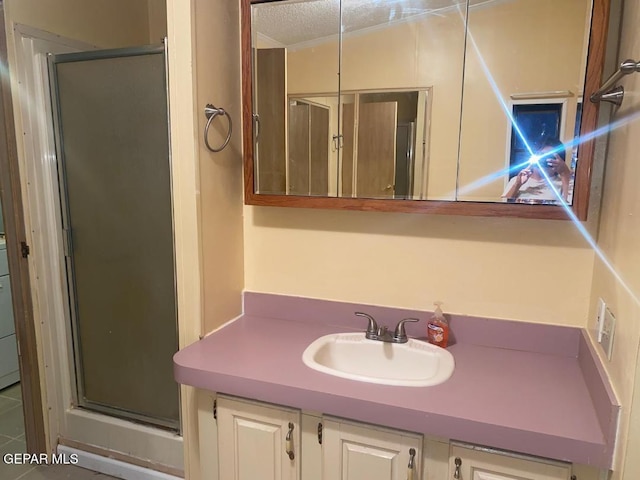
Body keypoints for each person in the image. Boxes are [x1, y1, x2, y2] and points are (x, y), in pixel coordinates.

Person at [502, 137, 573, 203]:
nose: (545, 160)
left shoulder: (565, 183)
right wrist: (517, 185)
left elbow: (569, 210)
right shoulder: (517, 180)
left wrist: (565, 174)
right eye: (542, 155)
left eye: (550, 157)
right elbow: (503, 208)